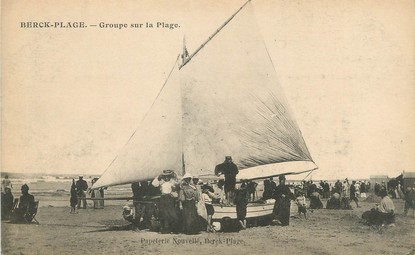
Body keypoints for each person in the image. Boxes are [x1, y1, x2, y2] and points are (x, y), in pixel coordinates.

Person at [152, 169, 180, 234]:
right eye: (165, 176)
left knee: (172, 213)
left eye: (168, 176)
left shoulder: (172, 182)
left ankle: (174, 229)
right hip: (163, 198)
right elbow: (154, 184)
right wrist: (158, 176)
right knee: (164, 214)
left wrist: (175, 174)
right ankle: (165, 229)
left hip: (170, 198)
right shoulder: (161, 182)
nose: (167, 178)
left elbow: (179, 182)